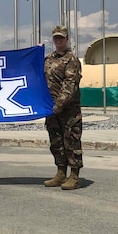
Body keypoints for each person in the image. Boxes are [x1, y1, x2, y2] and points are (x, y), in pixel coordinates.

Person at [43, 25, 83, 190]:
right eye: (56, 38)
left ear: (67, 39)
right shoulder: (48, 59)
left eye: (61, 37)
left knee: (71, 141)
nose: (58, 40)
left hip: (68, 110)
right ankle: (61, 172)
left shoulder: (71, 60)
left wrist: (59, 105)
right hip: (51, 109)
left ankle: (74, 175)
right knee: (56, 142)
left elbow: (70, 85)